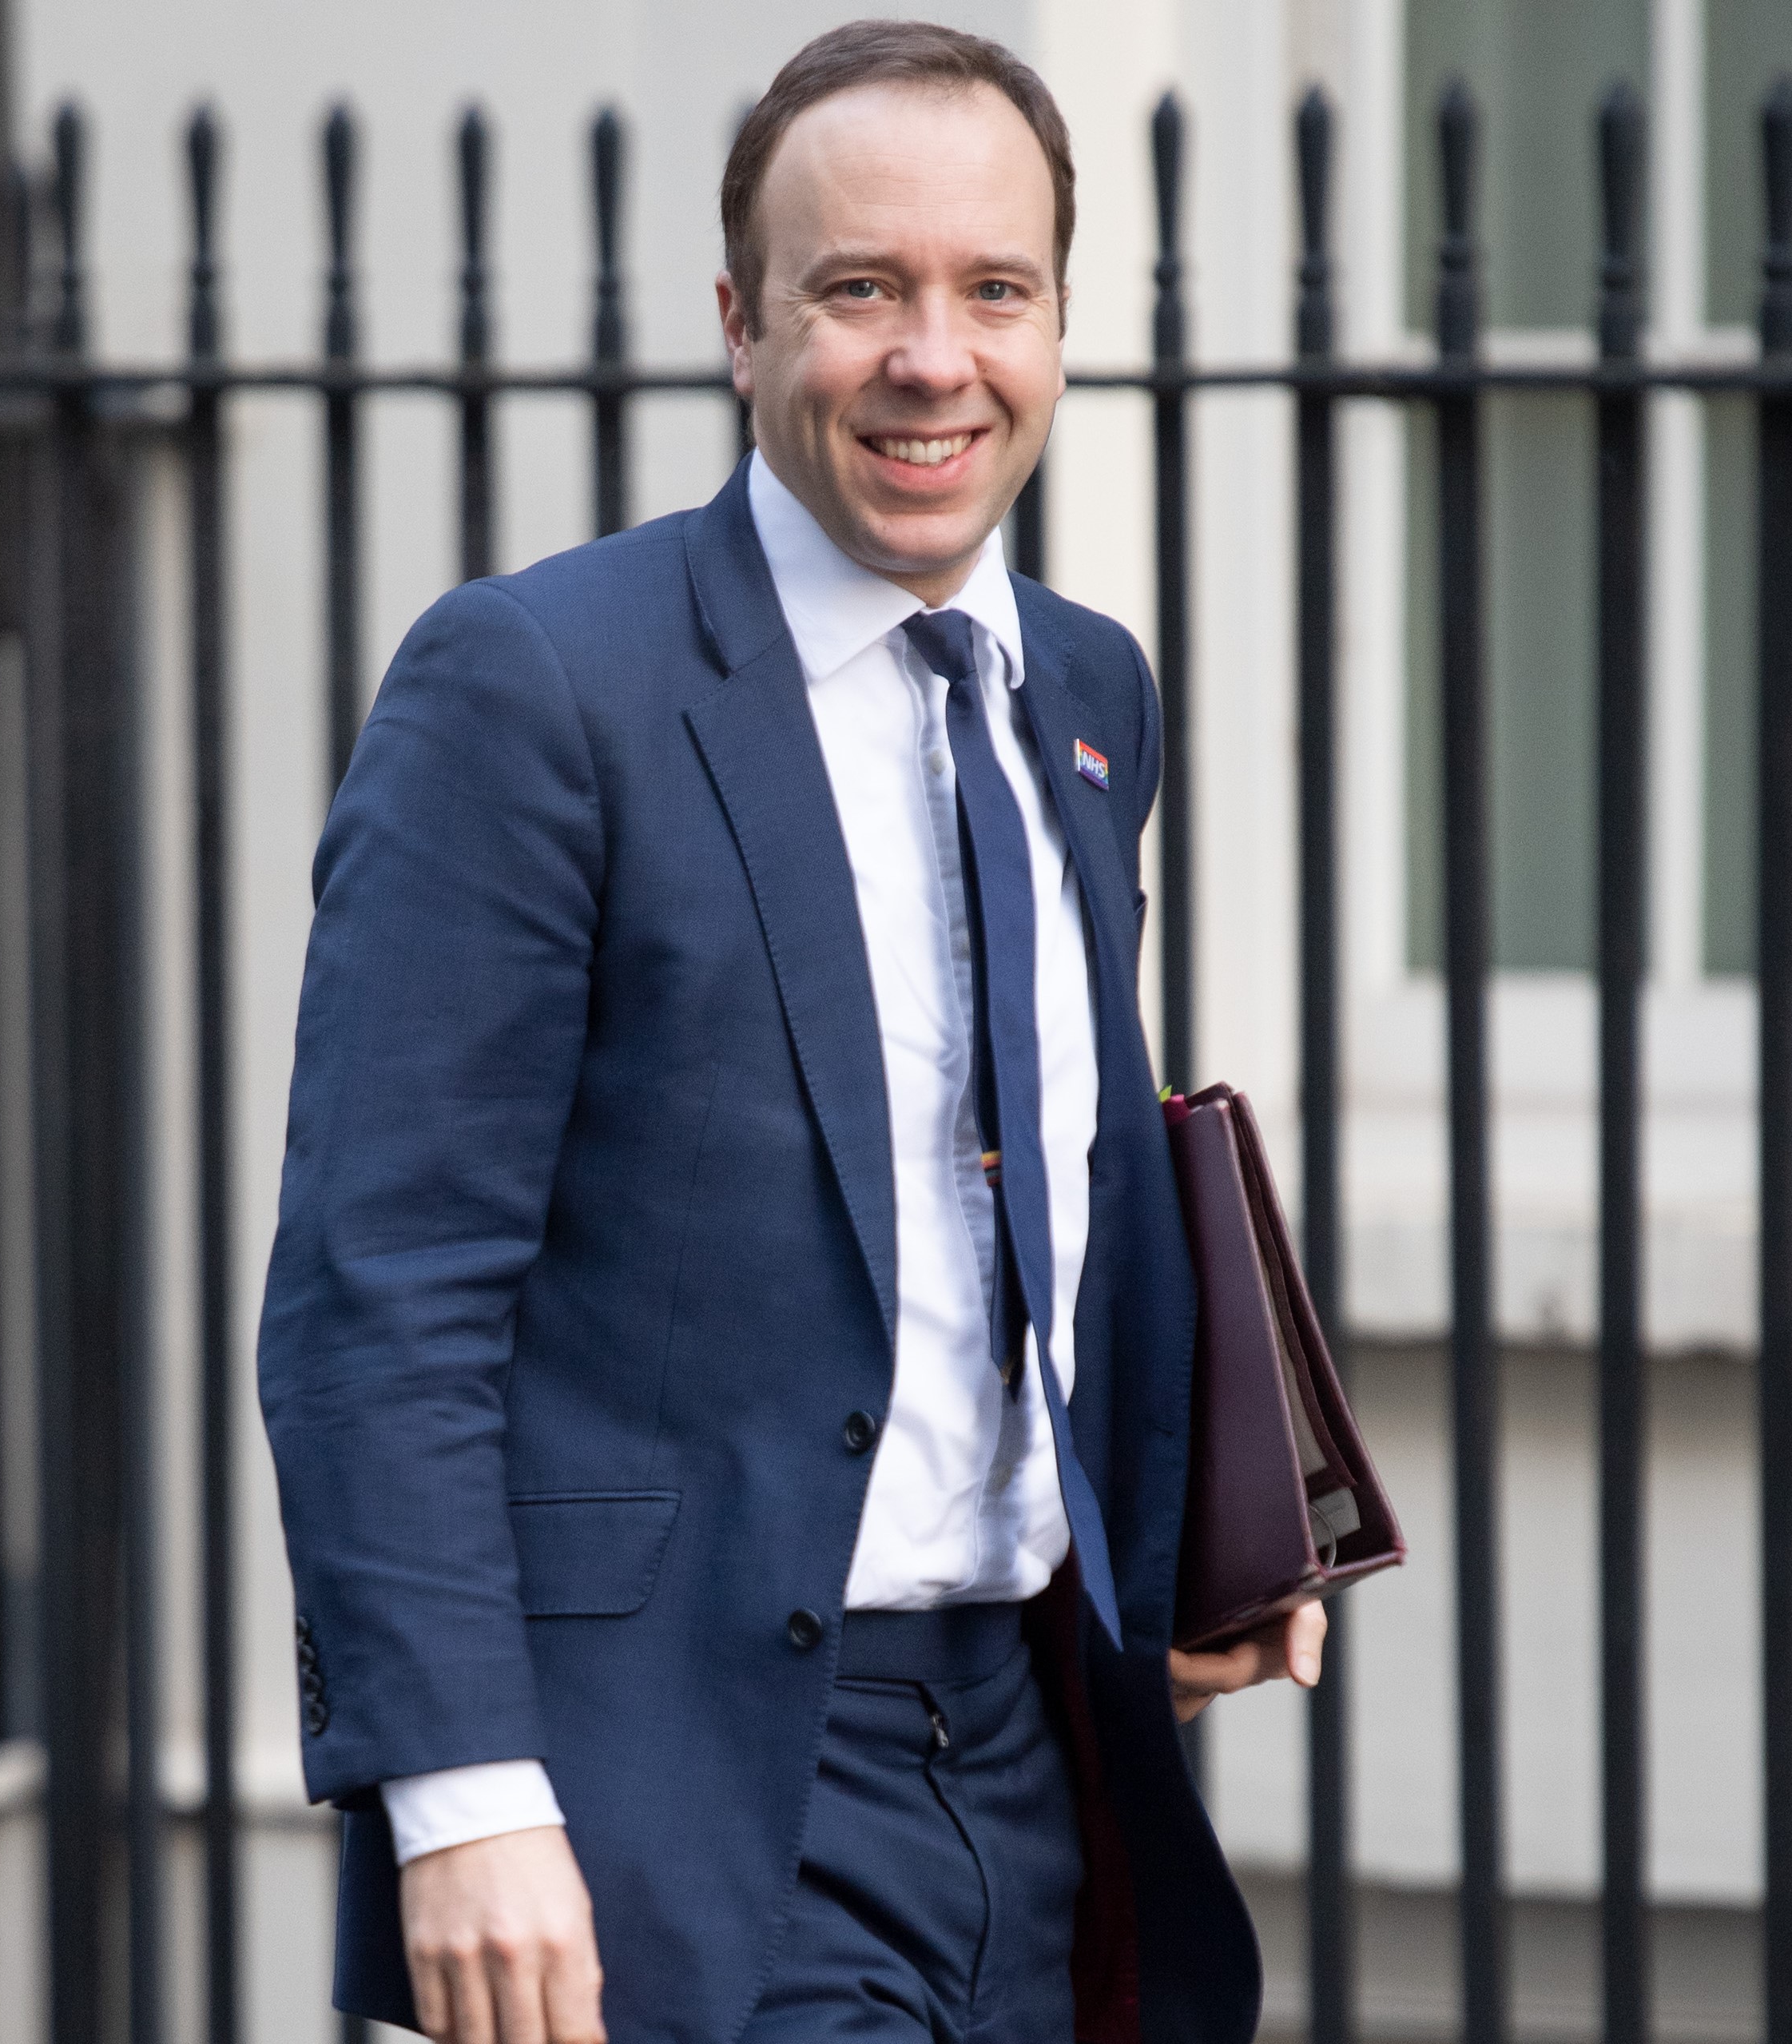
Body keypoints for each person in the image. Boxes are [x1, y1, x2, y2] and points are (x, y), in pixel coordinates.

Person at [259, 20, 1326, 2044]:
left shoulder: (1085, 692)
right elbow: (374, 1291)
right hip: (664, 1795)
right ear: (740, 321)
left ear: (1058, 321)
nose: (935, 357)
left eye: (990, 289)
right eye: (861, 290)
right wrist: (461, 1798)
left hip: (1035, 1762)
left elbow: (1040, 1176)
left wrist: (1180, 1526)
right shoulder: (531, 687)